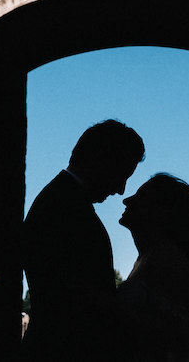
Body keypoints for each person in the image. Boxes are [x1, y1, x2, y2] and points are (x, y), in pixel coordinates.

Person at [21, 119, 145, 360]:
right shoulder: (65, 207)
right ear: (99, 158)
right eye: (122, 174)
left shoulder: (61, 200)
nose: (121, 189)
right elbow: (74, 296)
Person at [116, 174, 189, 361]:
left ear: (163, 212)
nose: (126, 200)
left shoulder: (166, 260)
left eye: (142, 197)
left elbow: (171, 334)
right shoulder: (148, 258)